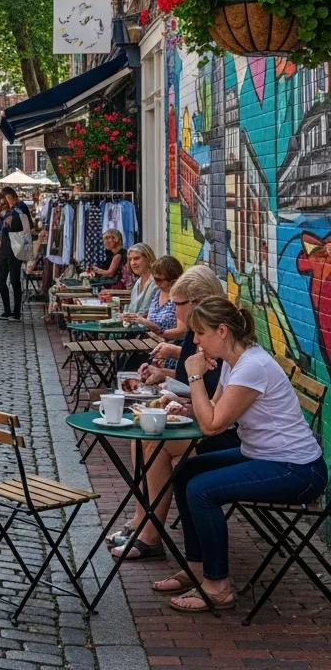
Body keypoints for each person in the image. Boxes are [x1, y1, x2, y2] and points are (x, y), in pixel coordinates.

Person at [162, 298, 327, 612]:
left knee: (202, 490)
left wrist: (194, 376)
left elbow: (211, 425)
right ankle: (198, 568)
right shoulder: (233, 362)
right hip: (263, 456)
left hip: (298, 469)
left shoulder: (252, 367)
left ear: (222, 331)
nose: (194, 340)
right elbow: (212, 411)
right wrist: (182, 404)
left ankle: (218, 586)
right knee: (186, 474)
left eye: (200, 333)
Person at [107, 265, 228, 560]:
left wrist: (175, 386)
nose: (173, 310)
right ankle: (142, 518)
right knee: (143, 436)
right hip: (202, 417)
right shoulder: (197, 332)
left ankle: (150, 534)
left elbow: (213, 396)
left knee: (154, 441)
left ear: (198, 301)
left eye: (177, 304)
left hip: (221, 431)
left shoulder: (216, 336)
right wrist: (164, 375)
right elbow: (192, 381)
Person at [121, 255, 183, 341]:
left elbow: (182, 331)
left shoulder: (181, 298)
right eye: (154, 278)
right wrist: (137, 319)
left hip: (171, 344)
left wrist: (158, 331)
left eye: (159, 279)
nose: (156, 283)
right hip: (152, 340)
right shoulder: (158, 293)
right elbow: (150, 319)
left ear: (172, 279)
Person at [0, 186, 31, 323]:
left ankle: (16, 312)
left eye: (3, 199)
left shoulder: (20, 207)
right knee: (0, 281)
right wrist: (0, 218)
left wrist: (12, 221)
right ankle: (7, 310)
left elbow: (27, 225)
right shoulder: (9, 209)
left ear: (9, 197)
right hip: (5, 249)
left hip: (16, 250)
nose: (1, 202)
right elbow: (3, 227)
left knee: (14, 281)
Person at [106, 243, 157, 316]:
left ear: (148, 259)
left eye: (136, 258)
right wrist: (111, 300)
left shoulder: (154, 282)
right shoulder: (139, 281)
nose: (133, 263)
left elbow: (145, 311)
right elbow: (130, 307)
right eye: (130, 260)